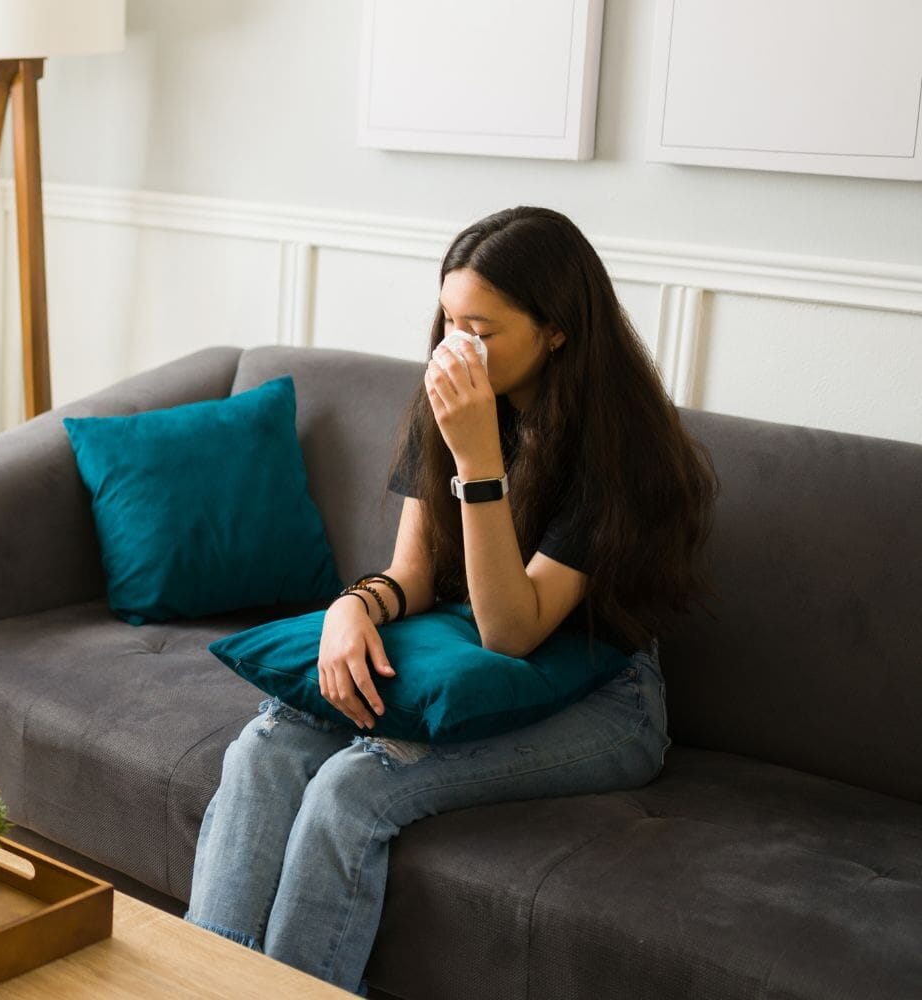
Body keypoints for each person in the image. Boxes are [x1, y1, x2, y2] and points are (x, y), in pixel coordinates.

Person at [185, 206, 718, 994]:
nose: (455, 346)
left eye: (483, 328)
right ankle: (200, 982)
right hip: (464, 656)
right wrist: (352, 609)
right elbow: (415, 576)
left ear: (557, 331)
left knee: (351, 788)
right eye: (448, 320)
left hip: (605, 702)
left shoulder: (623, 452)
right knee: (265, 749)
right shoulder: (451, 397)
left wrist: (476, 459)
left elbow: (512, 629)